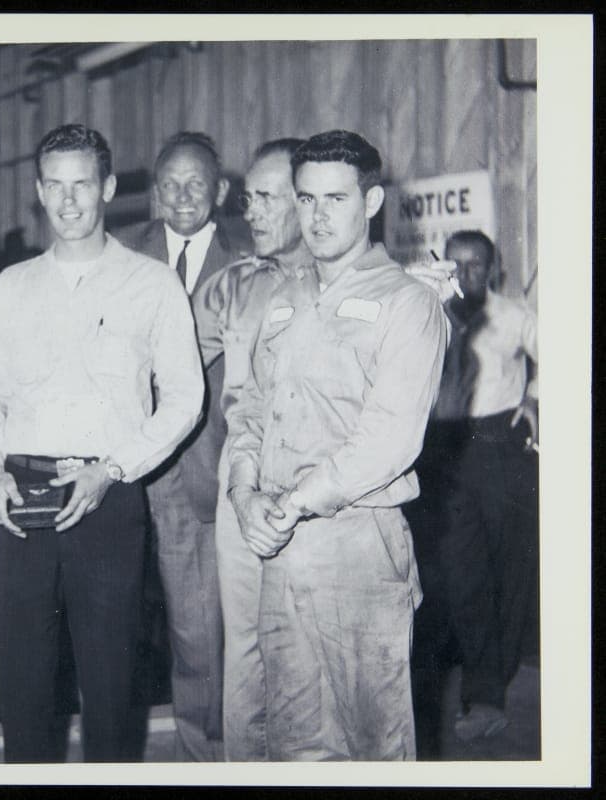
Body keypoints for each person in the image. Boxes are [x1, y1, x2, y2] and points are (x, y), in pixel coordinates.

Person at [0, 123, 204, 763]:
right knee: (24, 685)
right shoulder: (12, 285)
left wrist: (115, 468)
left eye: (83, 185)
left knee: (112, 684)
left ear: (109, 189)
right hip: (22, 496)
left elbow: (185, 399)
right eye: (56, 187)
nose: (70, 202)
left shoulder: (152, 284)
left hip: (109, 495)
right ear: (39, 192)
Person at [225, 130, 447, 760]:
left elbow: (389, 439)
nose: (317, 216)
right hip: (279, 551)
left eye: (336, 198)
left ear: (372, 202)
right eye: (306, 199)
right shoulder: (282, 301)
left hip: (360, 549)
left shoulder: (407, 302)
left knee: (376, 749)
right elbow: (251, 409)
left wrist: (291, 503)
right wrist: (244, 494)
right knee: (294, 746)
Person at [114, 131, 251, 761]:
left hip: (200, 473)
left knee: (199, 638)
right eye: (169, 183)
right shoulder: (118, 255)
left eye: (196, 183)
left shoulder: (249, 261)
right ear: (153, 192)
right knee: (112, 633)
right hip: (115, 477)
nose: (182, 196)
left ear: (221, 192)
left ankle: (205, 759)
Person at [192, 137, 312, 761]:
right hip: (240, 487)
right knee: (243, 647)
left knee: (309, 652)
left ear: (307, 201)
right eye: (249, 198)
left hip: (319, 497)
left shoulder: (345, 285)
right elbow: (165, 363)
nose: (253, 212)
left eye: (268, 197)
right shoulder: (232, 287)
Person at [425, 230, 539, 742]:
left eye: (475, 265)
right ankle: (481, 687)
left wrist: (535, 397)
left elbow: (566, 357)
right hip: (444, 449)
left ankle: (489, 694)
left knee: (508, 569)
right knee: (461, 573)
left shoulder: (513, 315)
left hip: (499, 444)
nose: (464, 273)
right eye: (455, 264)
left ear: (492, 270)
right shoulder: (426, 312)